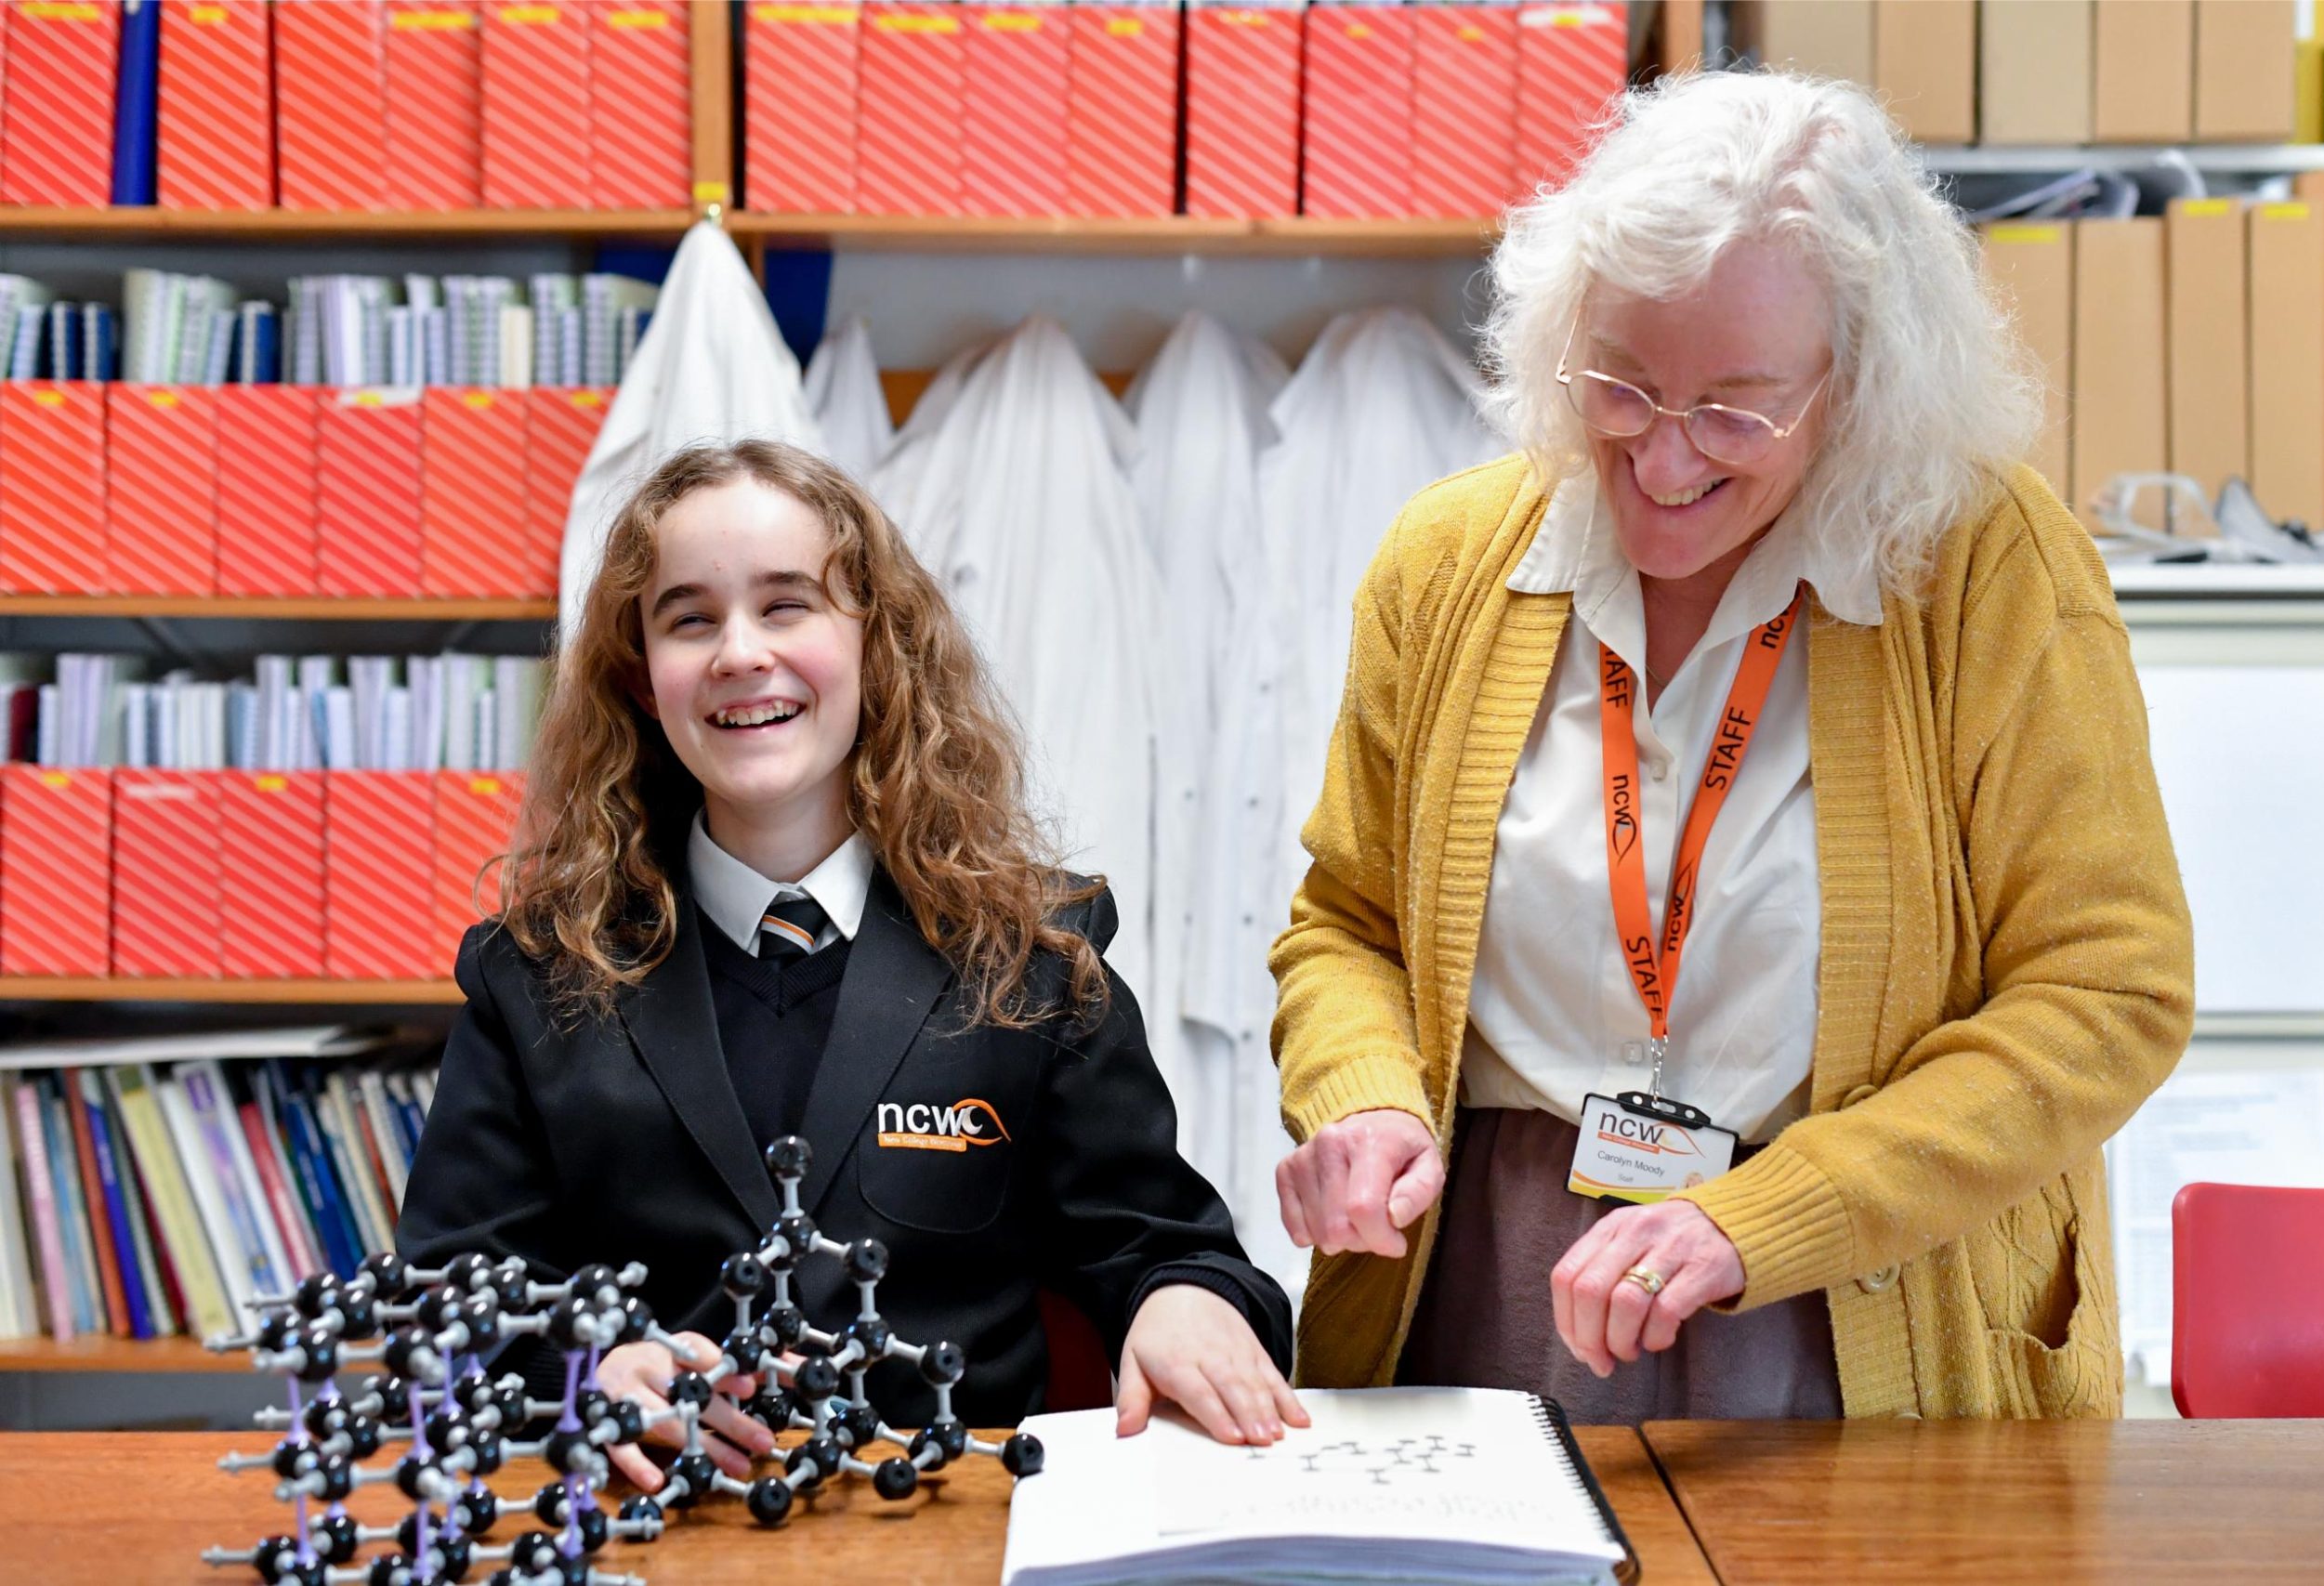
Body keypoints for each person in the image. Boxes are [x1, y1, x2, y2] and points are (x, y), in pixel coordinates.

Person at [1269, 70, 2194, 1422]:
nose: (1663, 456)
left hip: (1852, 1288)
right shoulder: (1453, 558)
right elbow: (1348, 921)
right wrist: (1366, 1098)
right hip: (1494, 1270)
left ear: (1861, 382)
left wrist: (1772, 1212)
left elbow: (2111, 991)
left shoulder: (1987, 570)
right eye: (1624, 386)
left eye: (1738, 408)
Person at [399, 439, 1302, 1492]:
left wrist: (1179, 1301)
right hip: (651, 1526)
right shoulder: (536, 976)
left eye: (787, 606)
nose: (740, 651)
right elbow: (449, 1299)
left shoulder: (1034, 956)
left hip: (946, 1528)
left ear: (878, 643)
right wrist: (584, 1373)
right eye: (690, 619)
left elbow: (1161, 1246)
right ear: (642, 682)